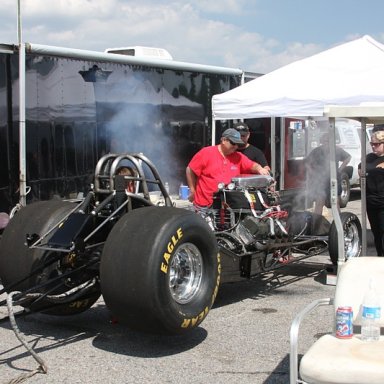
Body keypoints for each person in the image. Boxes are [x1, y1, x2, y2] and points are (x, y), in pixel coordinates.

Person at [186, 128, 270, 210]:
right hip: (204, 204)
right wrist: (192, 190)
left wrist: (260, 169)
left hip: (228, 205)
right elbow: (190, 169)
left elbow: (252, 165)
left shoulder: (238, 156)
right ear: (223, 140)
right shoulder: (206, 152)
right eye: (233, 143)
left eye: (238, 144)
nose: (236, 146)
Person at [305, 133, 351, 216]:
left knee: (335, 202)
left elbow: (348, 157)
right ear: (321, 142)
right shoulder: (317, 151)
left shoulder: (337, 150)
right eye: (324, 141)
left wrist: (340, 169)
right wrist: (312, 173)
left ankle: (339, 223)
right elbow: (307, 163)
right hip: (320, 180)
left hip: (334, 178)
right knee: (319, 202)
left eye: (328, 141)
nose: (326, 143)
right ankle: (316, 224)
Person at [359, 130, 384, 256]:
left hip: (382, 202)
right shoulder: (369, 157)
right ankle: (380, 257)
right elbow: (360, 169)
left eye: (377, 144)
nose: (373, 146)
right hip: (370, 201)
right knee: (377, 232)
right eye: (372, 143)